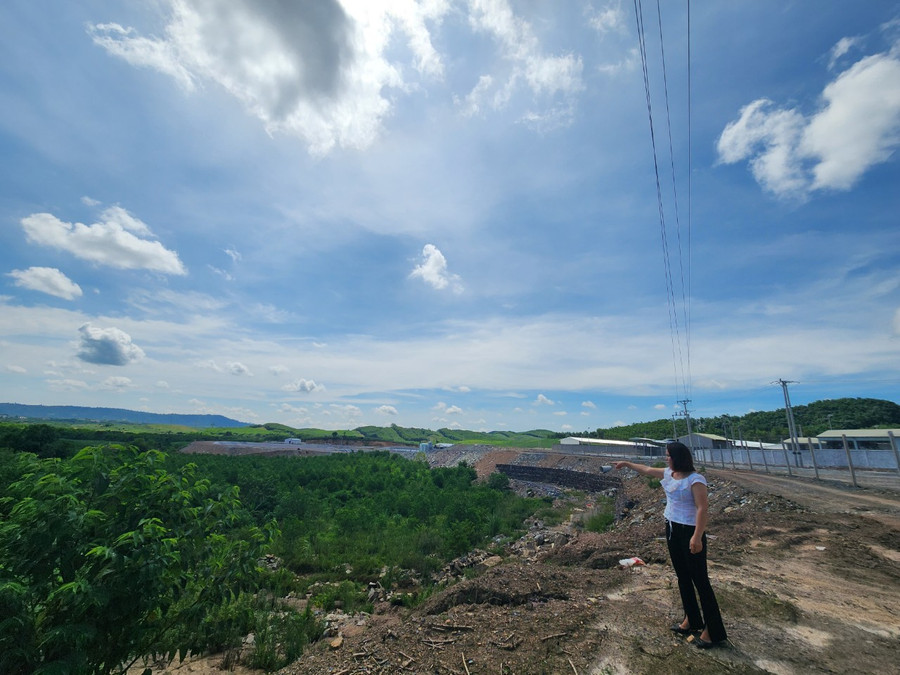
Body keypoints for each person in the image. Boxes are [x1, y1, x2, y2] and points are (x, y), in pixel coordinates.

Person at [614, 442, 728, 648]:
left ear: (679, 457)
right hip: (672, 528)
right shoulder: (669, 474)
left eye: (669, 456)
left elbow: (702, 508)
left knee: (700, 581)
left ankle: (713, 631)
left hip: (690, 531)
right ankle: (691, 619)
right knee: (683, 577)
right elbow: (647, 469)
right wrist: (627, 464)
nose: (666, 459)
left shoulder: (695, 479)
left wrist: (697, 537)